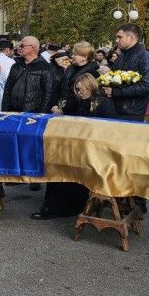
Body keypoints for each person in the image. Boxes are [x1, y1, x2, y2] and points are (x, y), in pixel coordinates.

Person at [31, 73, 118, 220]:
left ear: (90, 86)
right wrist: (60, 111)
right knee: (56, 163)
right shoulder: (81, 101)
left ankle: (58, 207)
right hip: (82, 148)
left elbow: (110, 130)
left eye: (81, 89)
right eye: (77, 90)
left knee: (63, 166)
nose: (79, 92)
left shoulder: (103, 103)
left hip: (97, 151)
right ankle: (55, 206)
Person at [105, 24, 149, 122]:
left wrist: (114, 92)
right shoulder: (122, 56)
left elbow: (146, 87)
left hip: (132, 112)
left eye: (120, 37)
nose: (116, 40)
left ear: (132, 37)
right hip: (116, 108)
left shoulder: (146, 57)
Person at [1, 36, 54, 114]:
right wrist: (4, 111)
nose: (19, 48)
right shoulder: (16, 65)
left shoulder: (46, 68)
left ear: (32, 48)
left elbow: (48, 95)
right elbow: (7, 89)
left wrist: (41, 115)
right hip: (11, 113)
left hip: (31, 114)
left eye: (22, 46)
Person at [53, 42, 99, 114]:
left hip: (78, 112)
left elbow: (81, 95)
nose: (72, 56)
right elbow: (63, 90)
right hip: (64, 109)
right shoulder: (70, 68)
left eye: (75, 54)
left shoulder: (92, 73)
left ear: (85, 57)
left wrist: (62, 109)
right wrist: (60, 106)